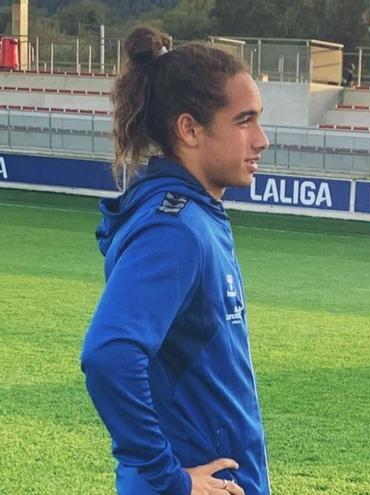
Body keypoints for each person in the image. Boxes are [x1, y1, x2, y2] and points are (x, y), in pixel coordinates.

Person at [80, 26, 270, 494]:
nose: (262, 139)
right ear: (189, 129)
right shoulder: (174, 229)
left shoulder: (192, 215)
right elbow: (109, 355)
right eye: (244, 121)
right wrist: (170, 479)